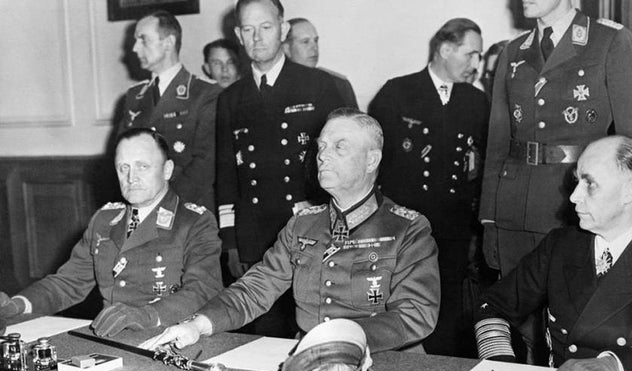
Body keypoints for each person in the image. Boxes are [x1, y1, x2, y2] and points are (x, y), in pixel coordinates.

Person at [142, 109, 440, 353]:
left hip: (388, 363)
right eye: (321, 146)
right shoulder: (302, 224)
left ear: (371, 160)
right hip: (308, 362)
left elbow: (416, 314)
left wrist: (342, 340)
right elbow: (254, 290)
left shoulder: (407, 228)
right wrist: (197, 325)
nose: (322, 156)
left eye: (339, 147)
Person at [479, 0, 632, 364]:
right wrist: (490, 219)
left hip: (579, 208)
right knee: (520, 326)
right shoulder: (514, 51)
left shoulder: (608, 41)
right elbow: (497, 143)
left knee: (574, 326)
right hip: (516, 208)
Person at [474, 136, 632, 371]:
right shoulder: (560, 245)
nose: (574, 196)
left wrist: (612, 366)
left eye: (590, 184)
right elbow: (493, 305)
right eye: (577, 182)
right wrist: (500, 366)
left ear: (628, 192)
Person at [0, 128, 223, 337]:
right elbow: (69, 282)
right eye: (123, 168)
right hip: (111, 337)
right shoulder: (105, 220)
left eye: (142, 166)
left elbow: (203, 291)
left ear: (167, 170)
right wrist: (20, 304)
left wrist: (146, 315)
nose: (131, 177)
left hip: (171, 337)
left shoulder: (194, 222)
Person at [216, 0, 344, 337]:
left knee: (315, 329)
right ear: (238, 35)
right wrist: (231, 240)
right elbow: (226, 175)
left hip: (311, 230)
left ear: (283, 29)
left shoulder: (317, 85)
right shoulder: (231, 98)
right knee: (262, 333)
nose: (257, 37)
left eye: (266, 27)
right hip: (255, 235)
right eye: (248, 29)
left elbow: (343, 161)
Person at [369, 18, 488, 357]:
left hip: (453, 228)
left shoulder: (477, 102)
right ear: (445, 49)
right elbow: (373, 163)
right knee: (397, 304)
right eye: (470, 54)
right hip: (402, 227)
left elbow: (481, 167)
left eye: (478, 56)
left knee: (447, 307)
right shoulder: (397, 93)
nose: (476, 64)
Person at [118, 10, 221, 209]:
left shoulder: (205, 94)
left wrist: (163, 205)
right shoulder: (134, 97)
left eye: (143, 39)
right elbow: (121, 157)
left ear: (168, 43)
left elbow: (206, 163)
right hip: (141, 209)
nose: (135, 48)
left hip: (189, 211)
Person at [283, 17, 359, 109]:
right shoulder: (276, 85)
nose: (314, 47)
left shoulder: (339, 84)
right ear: (286, 48)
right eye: (305, 42)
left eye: (315, 41)